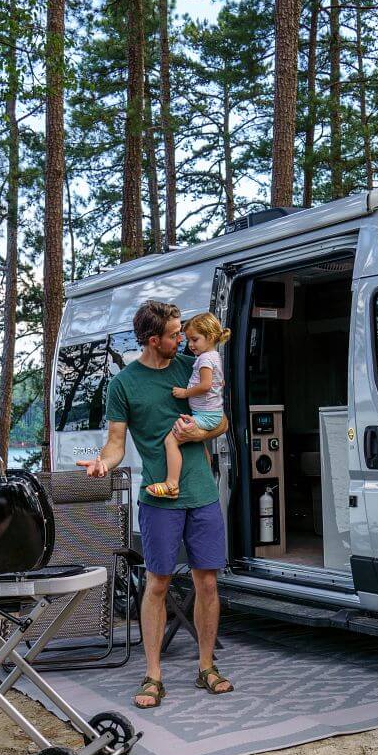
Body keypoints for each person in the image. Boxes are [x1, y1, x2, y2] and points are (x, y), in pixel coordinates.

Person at [76, 300, 234, 709]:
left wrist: (199, 435)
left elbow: (220, 419)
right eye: (174, 334)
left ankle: (206, 667)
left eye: (183, 332)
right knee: (157, 584)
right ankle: (153, 675)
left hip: (201, 493)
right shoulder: (124, 384)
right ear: (152, 340)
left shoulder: (192, 367)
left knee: (208, 582)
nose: (182, 339)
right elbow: (114, 445)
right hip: (159, 498)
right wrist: (102, 463)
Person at [145, 312, 230, 500]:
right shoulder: (214, 356)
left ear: (209, 337)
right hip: (210, 413)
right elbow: (217, 383)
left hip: (206, 414)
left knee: (171, 440)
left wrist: (185, 393)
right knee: (200, 445)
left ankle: (172, 484)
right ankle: (206, 479)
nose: (189, 345)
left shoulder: (205, 359)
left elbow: (206, 385)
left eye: (194, 339)